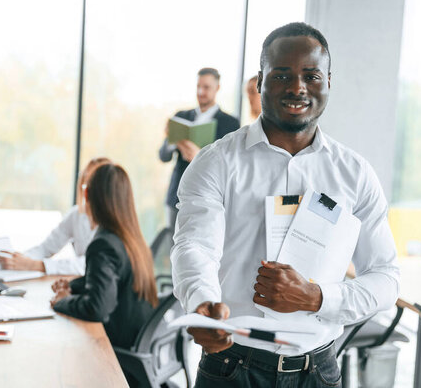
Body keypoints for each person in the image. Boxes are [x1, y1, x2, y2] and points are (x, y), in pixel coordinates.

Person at [171, 22, 400, 387]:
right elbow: (194, 246)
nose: (297, 88)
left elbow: (386, 277)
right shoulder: (216, 162)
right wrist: (202, 304)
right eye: (282, 76)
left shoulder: (355, 174)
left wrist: (317, 297)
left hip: (319, 372)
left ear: (328, 81)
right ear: (261, 81)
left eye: (311, 75)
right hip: (231, 368)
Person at [50, 162, 157, 365]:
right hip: (138, 343)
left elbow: (98, 307)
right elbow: (116, 280)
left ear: (88, 196)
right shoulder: (133, 239)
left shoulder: (102, 244)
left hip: (116, 351)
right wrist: (73, 286)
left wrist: (61, 301)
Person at [0, 157, 112, 275]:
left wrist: (34, 265)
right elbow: (47, 248)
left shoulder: (114, 223)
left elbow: (89, 264)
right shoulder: (76, 215)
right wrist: (17, 259)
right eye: (87, 181)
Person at [159, 67, 240, 230]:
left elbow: (231, 166)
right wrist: (172, 139)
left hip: (209, 197)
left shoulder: (230, 123)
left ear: (217, 88)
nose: (201, 92)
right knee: (171, 246)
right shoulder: (180, 117)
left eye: (206, 87)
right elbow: (163, 156)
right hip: (177, 195)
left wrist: (199, 156)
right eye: (198, 86)